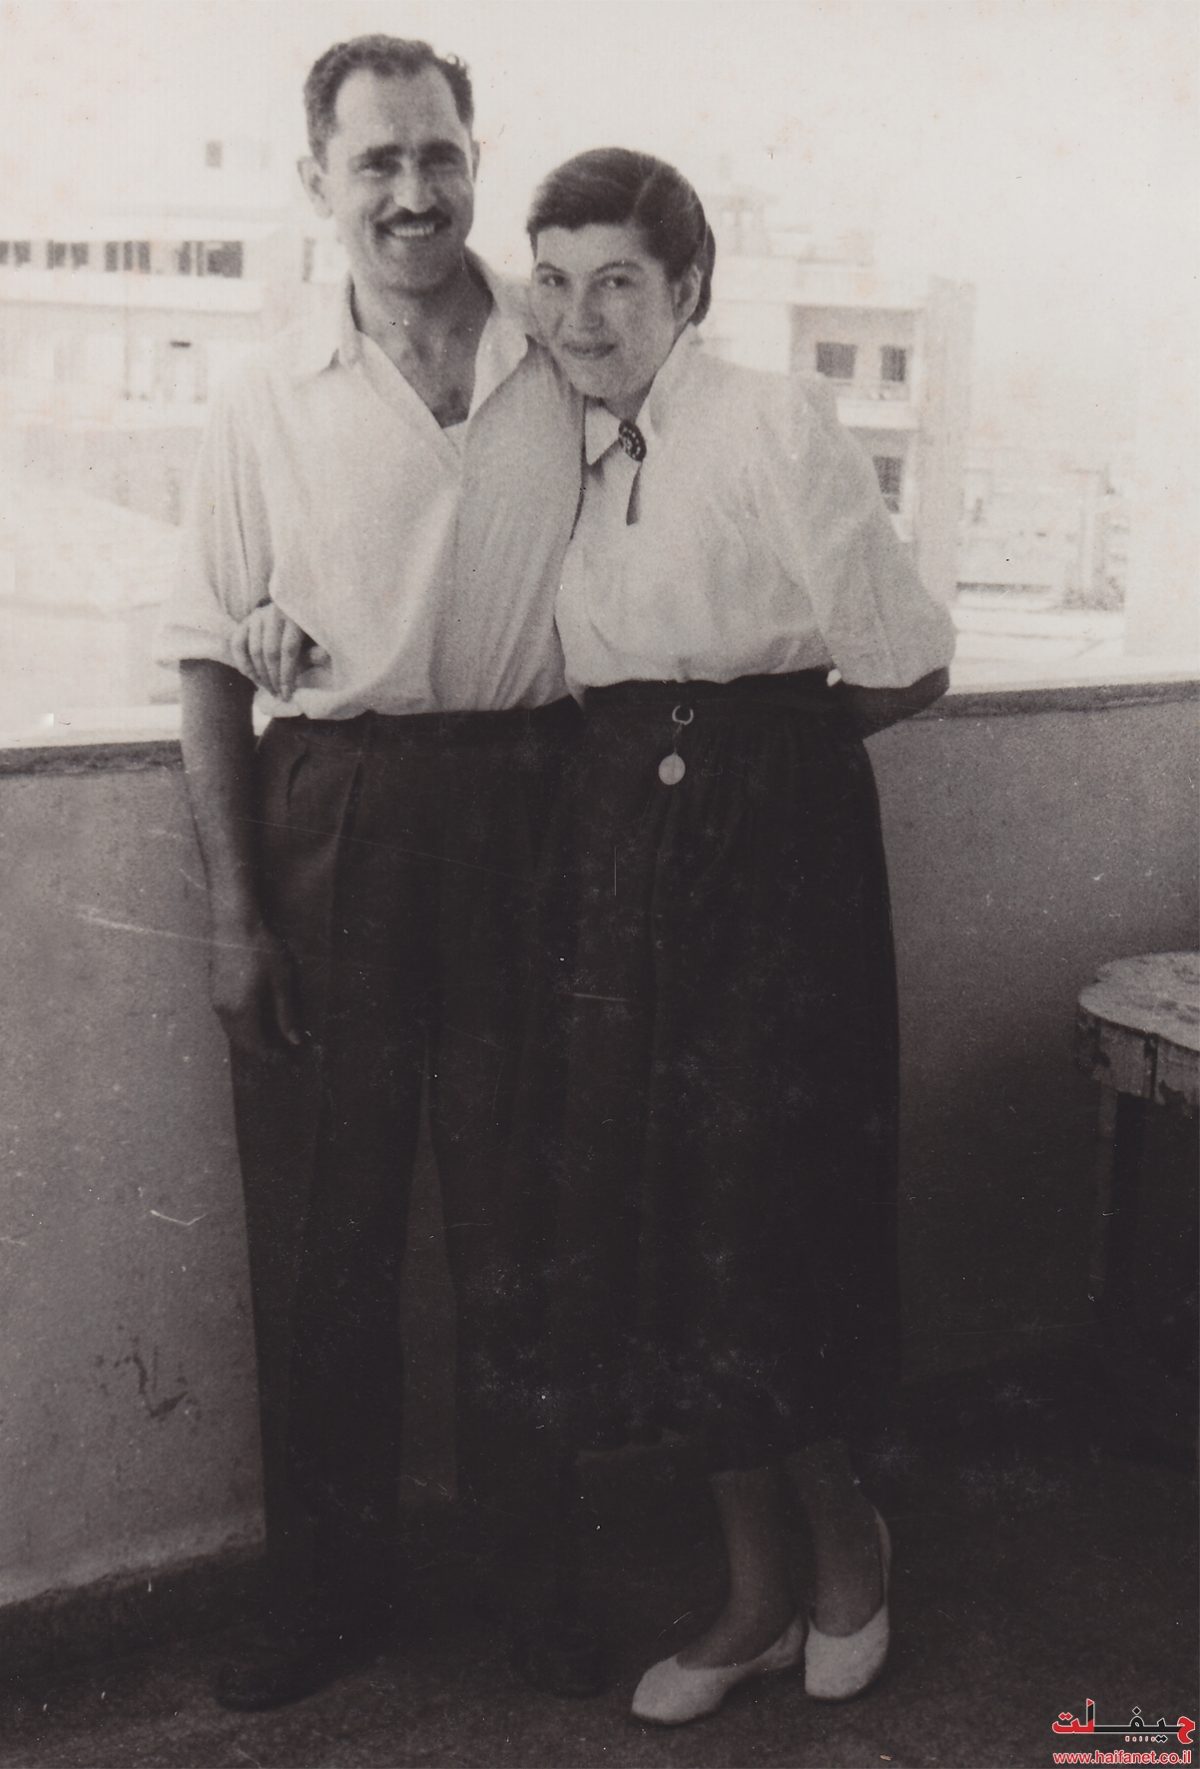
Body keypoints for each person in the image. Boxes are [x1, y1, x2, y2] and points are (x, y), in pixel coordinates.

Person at [156, 35, 584, 1711]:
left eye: (440, 154)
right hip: (332, 817)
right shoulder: (265, 390)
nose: (415, 192)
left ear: (478, 155)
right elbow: (208, 656)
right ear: (317, 182)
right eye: (377, 162)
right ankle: (323, 1596)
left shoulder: (563, 350)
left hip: (531, 812)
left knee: (525, 1231)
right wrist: (234, 911)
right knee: (324, 1240)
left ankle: (535, 1584)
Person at [519, 147, 956, 1725]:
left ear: (688, 289)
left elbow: (909, 659)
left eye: (618, 281)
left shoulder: (772, 418)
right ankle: (754, 1592)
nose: (581, 316)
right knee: (662, 1216)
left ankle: (847, 1547)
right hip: (621, 845)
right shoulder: (557, 443)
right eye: (554, 281)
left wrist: (750, 764)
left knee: (767, 1210)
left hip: (772, 850)